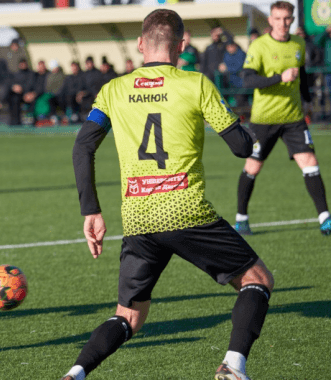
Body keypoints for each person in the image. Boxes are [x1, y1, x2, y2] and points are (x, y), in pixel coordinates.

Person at [64, 9, 274, 380]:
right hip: (185, 211)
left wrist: (91, 210)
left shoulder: (113, 90)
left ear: (141, 44)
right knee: (257, 278)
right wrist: (244, 129)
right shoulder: (195, 84)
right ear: (181, 46)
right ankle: (234, 366)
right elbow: (242, 147)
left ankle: (76, 372)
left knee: (129, 316)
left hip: (138, 218)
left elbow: (83, 146)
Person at [234, 1, 330, 236]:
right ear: (270, 20)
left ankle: (325, 219)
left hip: (293, 118)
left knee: (310, 164)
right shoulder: (259, 46)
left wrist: (307, 101)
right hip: (264, 120)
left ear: (292, 19)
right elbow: (247, 81)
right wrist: (279, 77)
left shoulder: (298, 43)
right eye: (278, 18)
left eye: (287, 18)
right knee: (253, 167)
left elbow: (302, 74)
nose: (283, 23)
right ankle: (241, 219)